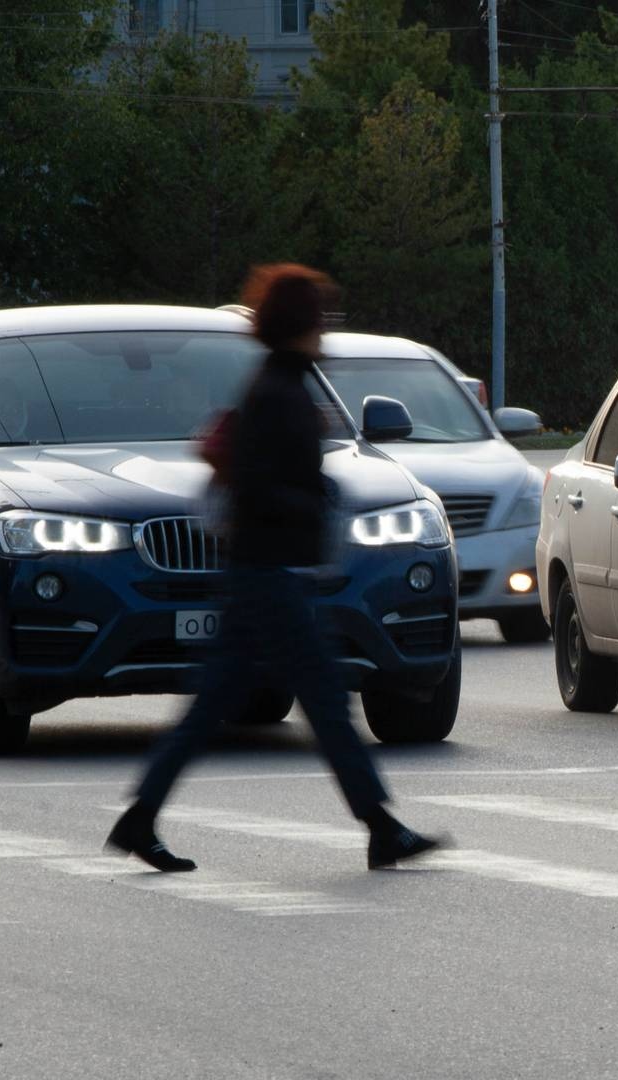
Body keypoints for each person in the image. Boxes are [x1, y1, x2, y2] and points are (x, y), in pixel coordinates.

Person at [107, 264, 441, 871]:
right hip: (270, 574)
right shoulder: (279, 391)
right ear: (300, 324)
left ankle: (139, 818)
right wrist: (314, 501)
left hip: (260, 573)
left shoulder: (283, 382)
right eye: (321, 318)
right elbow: (262, 485)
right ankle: (381, 826)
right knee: (323, 702)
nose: (328, 330)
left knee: (220, 705)